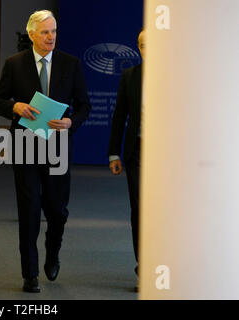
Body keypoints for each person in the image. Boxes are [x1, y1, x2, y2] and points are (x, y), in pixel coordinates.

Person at [0, 10, 90, 293]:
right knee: (30, 209)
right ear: (32, 34)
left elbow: (84, 105)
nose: (51, 37)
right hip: (25, 148)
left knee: (57, 211)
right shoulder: (14, 64)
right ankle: (30, 273)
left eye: (54, 31)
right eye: (45, 32)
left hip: (58, 149)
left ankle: (52, 253)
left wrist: (72, 121)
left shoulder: (71, 64)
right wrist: (15, 107)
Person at [108, 29, 145, 290]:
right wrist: (114, 152)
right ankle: (143, 266)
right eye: (143, 45)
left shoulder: (177, 76)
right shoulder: (130, 76)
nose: (148, 49)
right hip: (138, 151)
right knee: (140, 209)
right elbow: (120, 116)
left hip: (168, 154)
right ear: (138, 48)